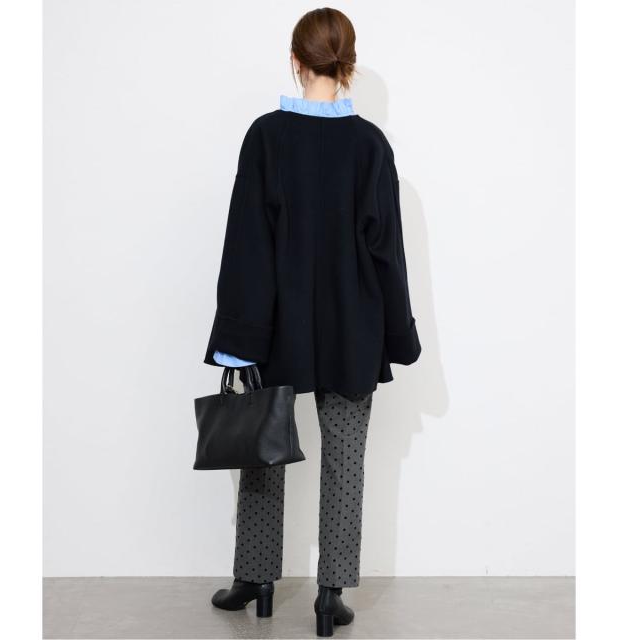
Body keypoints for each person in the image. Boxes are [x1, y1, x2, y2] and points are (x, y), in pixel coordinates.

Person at [203, 7, 421, 637]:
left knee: (263, 448)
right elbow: (387, 251)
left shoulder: (265, 137)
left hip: (277, 325)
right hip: (355, 327)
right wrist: (398, 337)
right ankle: (331, 595)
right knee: (346, 458)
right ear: (347, 63)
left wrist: (239, 338)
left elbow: (247, 243)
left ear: (295, 60)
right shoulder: (370, 145)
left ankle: (256, 579)